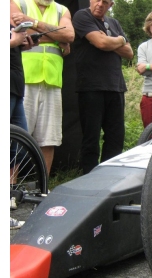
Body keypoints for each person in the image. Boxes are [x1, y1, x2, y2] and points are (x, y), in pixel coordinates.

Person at [10, 0, 75, 176]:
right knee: (16, 137)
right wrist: (55, 36)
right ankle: (10, 188)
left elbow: (69, 35)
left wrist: (34, 23)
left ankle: (43, 190)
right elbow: (19, 34)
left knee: (49, 138)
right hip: (24, 79)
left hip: (52, 80)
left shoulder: (62, 10)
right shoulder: (18, 3)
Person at [72, 0, 134, 175]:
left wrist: (112, 40)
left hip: (115, 86)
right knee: (91, 138)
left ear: (111, 5)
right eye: (97, 0)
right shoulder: (82, 16)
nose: (100, 4)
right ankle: (88, 179)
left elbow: (129, 53)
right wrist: (120, 40)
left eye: (105, 2)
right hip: (91, 86)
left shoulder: (114, 23)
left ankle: (107, 178)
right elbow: (101, 43)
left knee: (116, 137)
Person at [10, 22, 35, 230]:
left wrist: (21, 44)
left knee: (21, 148)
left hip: (17, 87)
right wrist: (12, 42)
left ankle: (10, 193)